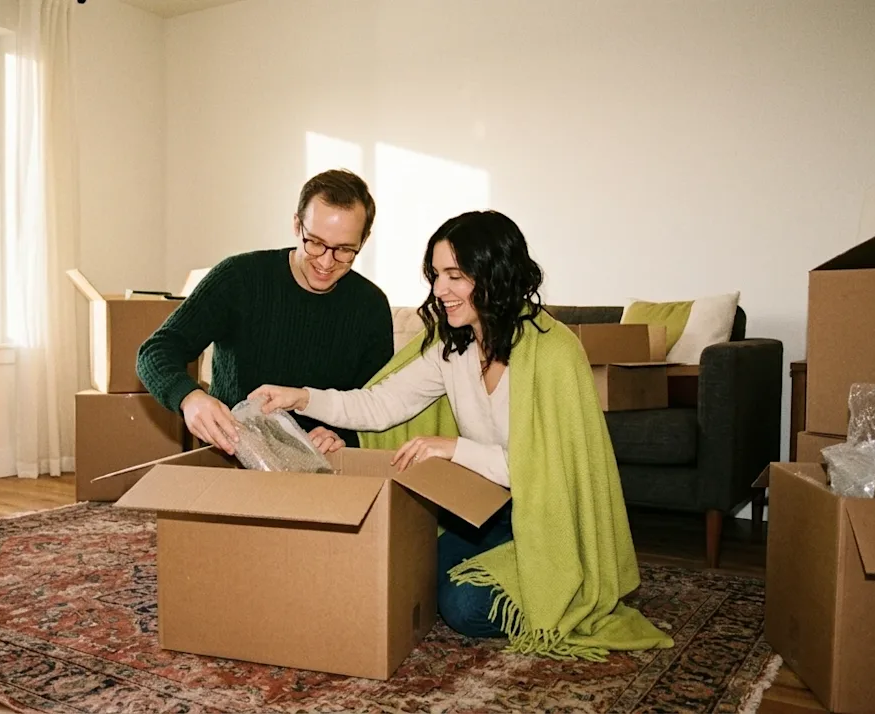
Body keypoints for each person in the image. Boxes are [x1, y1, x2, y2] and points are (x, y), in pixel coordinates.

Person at [251, 210, 674, 661]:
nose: (439, 290)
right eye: (436, 275)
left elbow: (548, 472)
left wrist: (453, 449)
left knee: (463, 606)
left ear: (495, 273)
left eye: (455, 275)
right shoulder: (453, 346)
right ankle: (508, 567)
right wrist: (300, 397)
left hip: (548, 513)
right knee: (408, 570)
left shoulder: (554, 350)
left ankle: (560, 588)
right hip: (487, 504)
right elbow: (379, 404)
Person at [136, 169, 394, 455]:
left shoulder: (371, 307)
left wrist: (341, 433)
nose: (326, 261)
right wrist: (190, 397)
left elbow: (374, 402)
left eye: (345, 249)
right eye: (316, 242)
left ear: (364, 240)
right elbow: (156, 352)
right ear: (297, 225)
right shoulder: (239, 278)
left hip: (323, 466)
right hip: (233, 458)